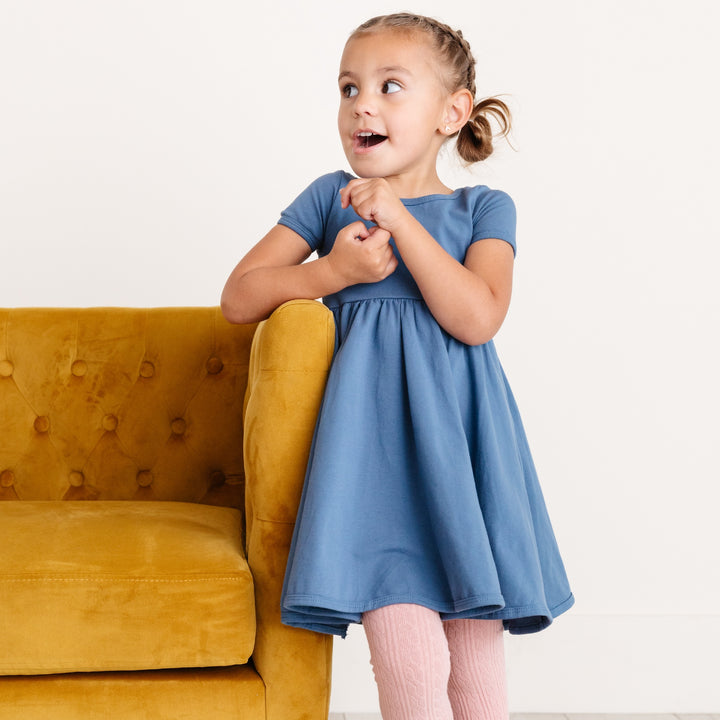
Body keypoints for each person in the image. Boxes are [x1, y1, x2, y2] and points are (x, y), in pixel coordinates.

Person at [222, 12, 574, 720]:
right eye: (349, 87)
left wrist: (402, 220)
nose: (363, 104)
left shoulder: (484, 208)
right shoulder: (330, 198)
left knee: (474, 665)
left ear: (453, 113)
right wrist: (333, 272)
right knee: (408, 660)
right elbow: (239, 296)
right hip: (371, 462)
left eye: (389, 86)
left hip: (462, 459)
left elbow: (476, 316)